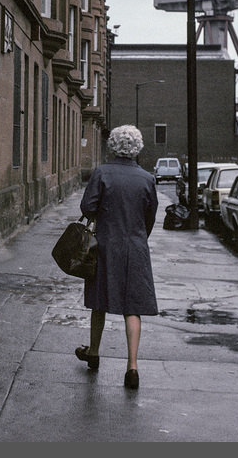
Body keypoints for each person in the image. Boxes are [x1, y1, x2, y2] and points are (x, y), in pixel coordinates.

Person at [74, 125, 159, 390]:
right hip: (135, 246)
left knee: (99, 301)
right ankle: (132, 367)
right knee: (132, 306)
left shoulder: (102, 173)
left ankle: (94, 353)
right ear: (137, 148)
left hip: (105, 245)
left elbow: (87, 207)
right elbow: (150, 216)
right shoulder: (147, 179)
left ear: (113, 146)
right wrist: (138, 236)